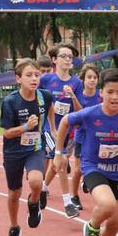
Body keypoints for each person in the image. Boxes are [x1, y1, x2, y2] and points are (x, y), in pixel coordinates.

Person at [54, 68, 118, 236]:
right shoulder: (91, 113)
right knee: (107, 205)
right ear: (101, 92)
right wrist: (59, 152)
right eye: (110, 92)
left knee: (116, 223)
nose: (114, 97)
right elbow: (65, 122)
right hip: (93, 167)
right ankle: (91, 227)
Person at [0, 59, 53, 236]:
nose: (34, 78)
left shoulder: (45, 97)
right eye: (29, 75)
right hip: (13, 150)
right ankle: (14, 228)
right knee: (14, 192)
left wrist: (52, 133)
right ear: (18, 78)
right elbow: (6, 133)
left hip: (35, 148)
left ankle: (34, 203)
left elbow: (50, 114)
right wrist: (25, 127)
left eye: (37, 75)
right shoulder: (10, 101)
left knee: (36, 182)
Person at [40, 42, 83, 214]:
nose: (67, 60)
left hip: (65, 130)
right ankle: (68, 203)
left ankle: (43, 188)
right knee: (63, 161)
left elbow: (80, 111)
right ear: (54, 60)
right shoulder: (46, 80)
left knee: (56, 164)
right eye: (63, 56)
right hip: (49, 129)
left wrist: (72, 96)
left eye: (70, 57)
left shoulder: (76, 83)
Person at [70, 64, 102, 212]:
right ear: (83, 79)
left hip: (98, 137)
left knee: (99, 168)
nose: (92, 80)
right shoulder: (79, 96)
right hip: (82, 137)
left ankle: (90, 184)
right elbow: (76, 120)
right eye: (89, 77)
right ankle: (74, 196)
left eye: (95, 77)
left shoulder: (101, 96)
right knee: (78, 170)